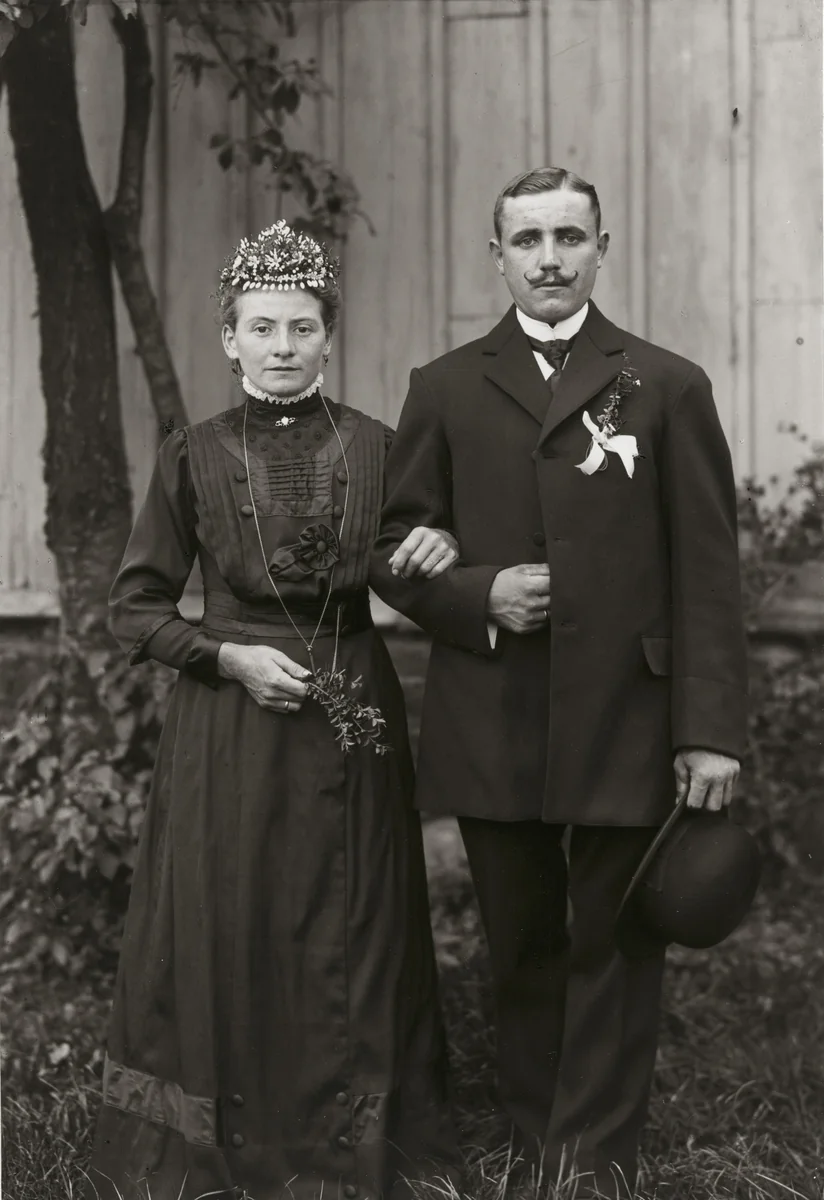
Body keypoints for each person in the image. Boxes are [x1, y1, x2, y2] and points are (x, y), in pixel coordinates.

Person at [370, 167, 748, 1196]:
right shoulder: (442, 385)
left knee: (617, 941)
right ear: (495, 256)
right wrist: (479, 595)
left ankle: (595, 1156)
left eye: (567, 238)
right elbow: (391, 548)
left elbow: (708, 573)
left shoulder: (664, 385)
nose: (548, 258)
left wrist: (707, 730)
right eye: (526, 239)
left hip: (628, 711)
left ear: (600, 247)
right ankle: (541, 1135)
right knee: (522, 940)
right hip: (495, 713)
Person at [88, 220, 462, 1200]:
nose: (282, 346)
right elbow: (132, 607)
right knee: (235, 915)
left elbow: (414, 559)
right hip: (231, 720)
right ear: (229, 339)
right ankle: (235, 1147)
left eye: (300, 326)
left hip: (352, 710)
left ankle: (352, 1148)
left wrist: (435, 548)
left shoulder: (380, 447)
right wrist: (225, 657)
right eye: (262, 327)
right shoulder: (193, 455)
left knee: (358, 916)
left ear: (327, 335)